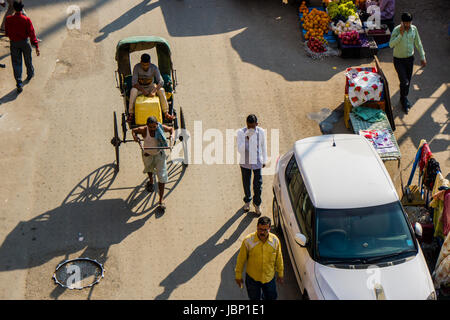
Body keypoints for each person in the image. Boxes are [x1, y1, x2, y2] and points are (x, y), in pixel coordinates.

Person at [235, 216, 284, 300]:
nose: (262, 232)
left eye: (265, 230)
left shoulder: (275, 241)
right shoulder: (248, 241)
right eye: (260, 229)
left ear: (269, 229)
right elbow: (241, 259)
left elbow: (279, 258)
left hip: (269, 279)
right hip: (252, 280)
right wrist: (238, 275)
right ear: (257, 227)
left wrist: (280, 273)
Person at [132, 116, 174, 210]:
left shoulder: (161, 128)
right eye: (150, 127)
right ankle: (150, 181)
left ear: (157, 124)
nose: (152, 129)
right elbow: (134, 131)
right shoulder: (143, 130)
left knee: (162, 176)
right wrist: (135, 137)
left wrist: (172, 136)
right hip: (147, 154)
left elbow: (171, 129)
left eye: (154, 127)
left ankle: (161, 199)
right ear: (147, 126)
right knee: (149, 169)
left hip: (159, 154)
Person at [389, 12, 426, 114]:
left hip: (410, 60)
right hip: (398, 60)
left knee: (407, 82)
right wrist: (400, 35)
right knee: (404, 81)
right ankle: (404, 100)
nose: (408, 25)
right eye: (405, 23)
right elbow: (391, 44)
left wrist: (422, 57)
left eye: (409, 23)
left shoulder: (414, 29)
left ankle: (403, 98)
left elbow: (418, 43)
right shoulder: (397, 30)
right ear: (402, 22)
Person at [128, 53, 175, 123]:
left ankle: (166, 113)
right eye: (143, 65)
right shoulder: (137, 67)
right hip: (140, 88)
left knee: (161, 90)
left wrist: (154, 91)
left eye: (147, 65)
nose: (145, 67)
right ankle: (131, 114)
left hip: (151, 87)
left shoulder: (154, 68)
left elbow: (161, 82)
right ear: (141, 63)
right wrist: (143, 90)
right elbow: (134, 83)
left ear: (149, 63)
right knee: (133, 90)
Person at [4, 0, 38, 93]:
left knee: (16, 63)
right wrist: (35, 44)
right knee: (28, 59)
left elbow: (7, 32)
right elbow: (31, 33)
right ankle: (30, 74)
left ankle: (18, 82)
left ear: (14, 9)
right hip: (25, 43)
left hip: (14, 43)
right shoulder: (26, 19)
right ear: (22, 8)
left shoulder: (8, 19)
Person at [237, 114, 267, 216]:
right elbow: (240, 150)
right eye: (249, 126)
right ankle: (247, 201)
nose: (251, 128)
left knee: (258, 185)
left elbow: (263, 146)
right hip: (245, 162)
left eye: (252, 126)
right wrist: (246, 139)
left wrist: (264, 160)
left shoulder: (261, 132)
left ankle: (257, 204)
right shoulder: (241, 133)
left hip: (257, 161)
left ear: (256, 124)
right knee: (246, 183)